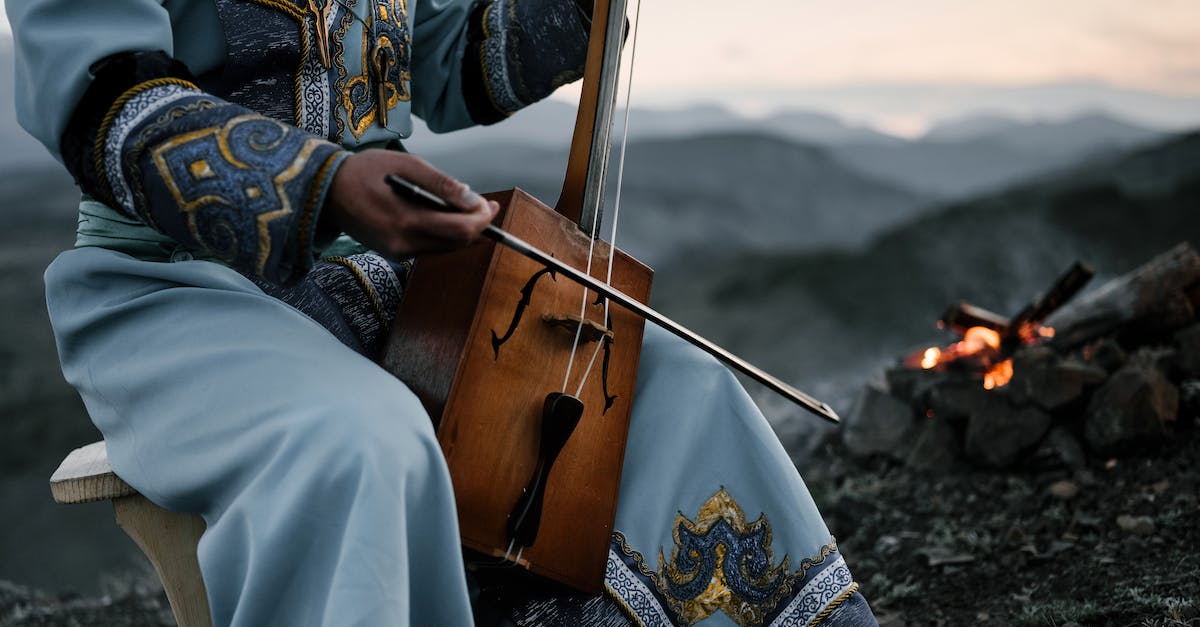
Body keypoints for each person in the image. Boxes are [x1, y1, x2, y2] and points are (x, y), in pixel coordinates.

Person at [8, 0, 879, 624]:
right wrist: (322, 185)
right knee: (362, 442)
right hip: (182, 286)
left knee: (676, 392)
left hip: (394, 274)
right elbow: (104, 104)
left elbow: (450, 57)